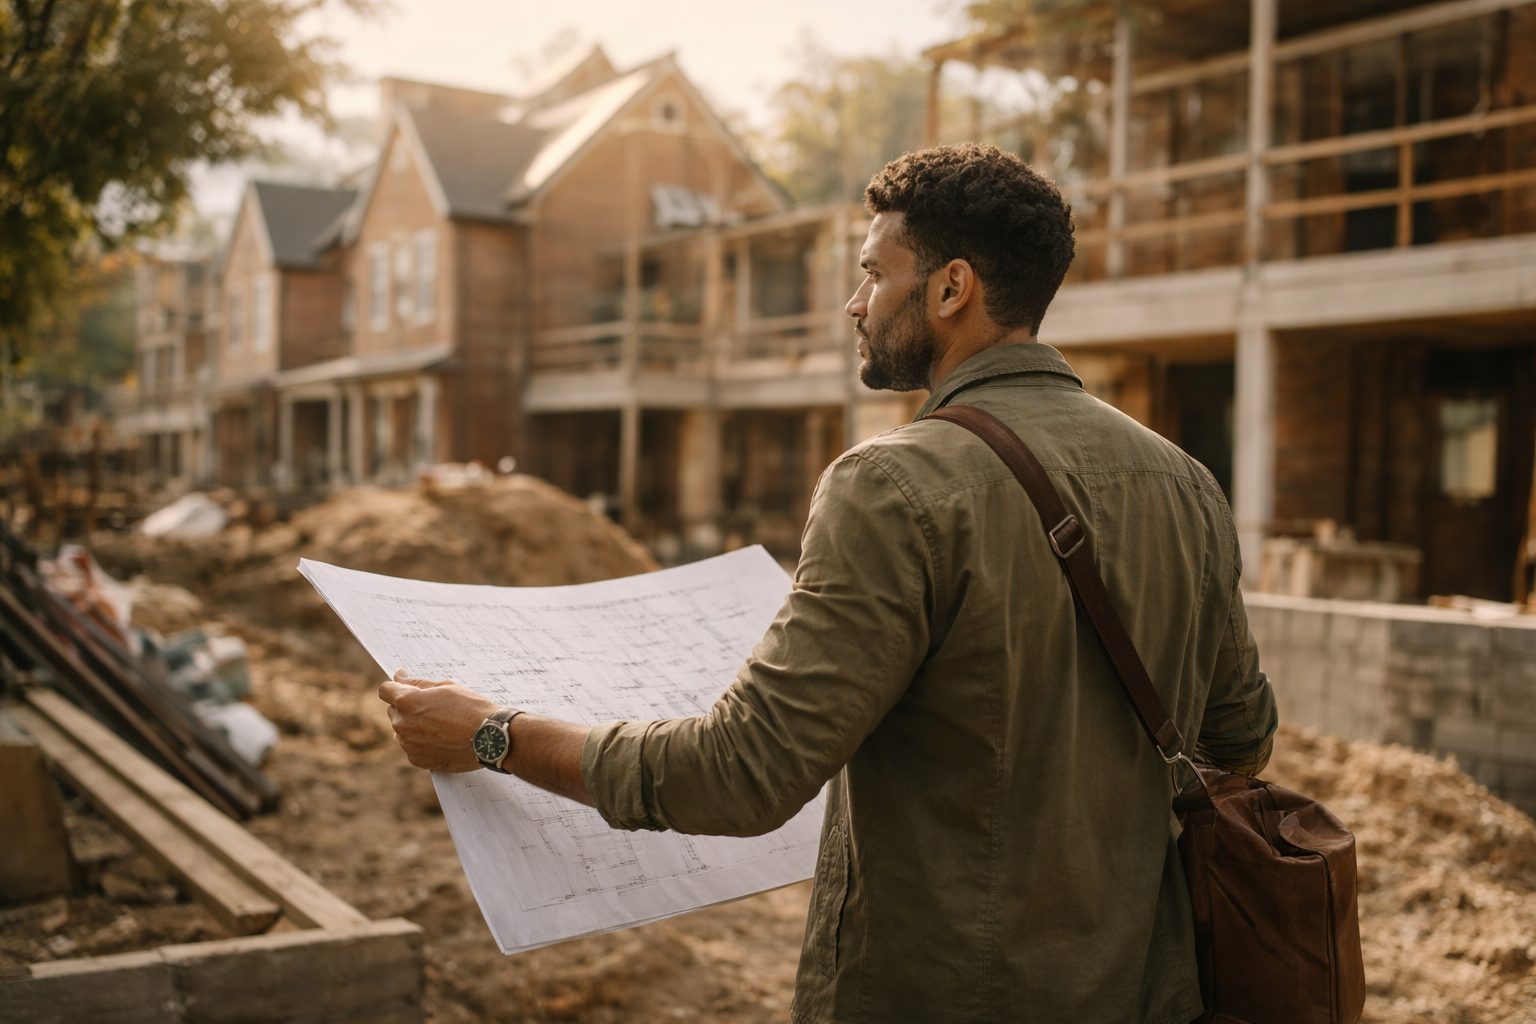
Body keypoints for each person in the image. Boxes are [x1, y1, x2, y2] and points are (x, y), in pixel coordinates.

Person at [381, 143, 1278, 1023]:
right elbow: (1243, 735)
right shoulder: (1185, 482)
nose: (855, 303)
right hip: (1148, 991)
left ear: (951, 288)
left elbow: (741, 774)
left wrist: (492, 735)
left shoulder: (891, 486)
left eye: (872, 273)